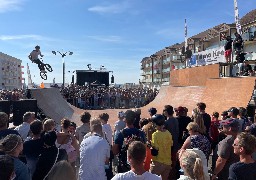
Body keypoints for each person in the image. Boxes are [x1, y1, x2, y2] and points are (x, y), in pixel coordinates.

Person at [150, 114, 173, 180]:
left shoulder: (155, 134)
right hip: (168, 163)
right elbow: (171, 144)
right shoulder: (168, 132)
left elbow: (155, 149)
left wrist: (150, 145)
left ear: (155, 124)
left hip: (158, 162)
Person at [163, 105, 179, 179]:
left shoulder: (166, 122)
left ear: (166, 112)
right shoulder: (175, 120)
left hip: (169, 145)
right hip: (175, 143)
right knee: (173, 162)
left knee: (169, 162)